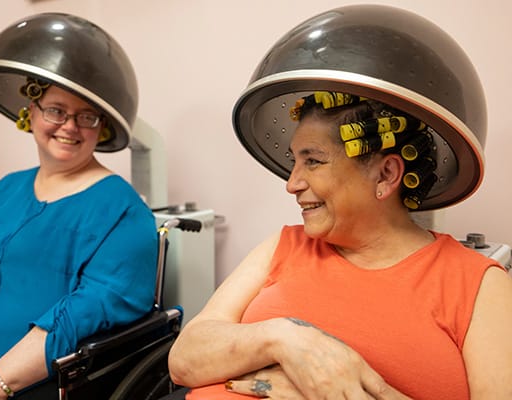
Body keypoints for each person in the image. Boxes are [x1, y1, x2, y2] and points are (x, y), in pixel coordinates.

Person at [167, 92, 512, 399]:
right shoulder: (285, 244)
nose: (292, 184)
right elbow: (184, 361)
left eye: (313, 161)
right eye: (294, 161)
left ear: (386, 175)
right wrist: (286, 340)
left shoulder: (478, 284)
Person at [0, 13, 158, 400]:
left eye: (86, 117)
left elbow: (80, 317)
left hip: (4, 388)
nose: (69, 126)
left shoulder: (125, 215)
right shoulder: (3, 189)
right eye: (57, 110)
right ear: (32, 112)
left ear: (103, 126)